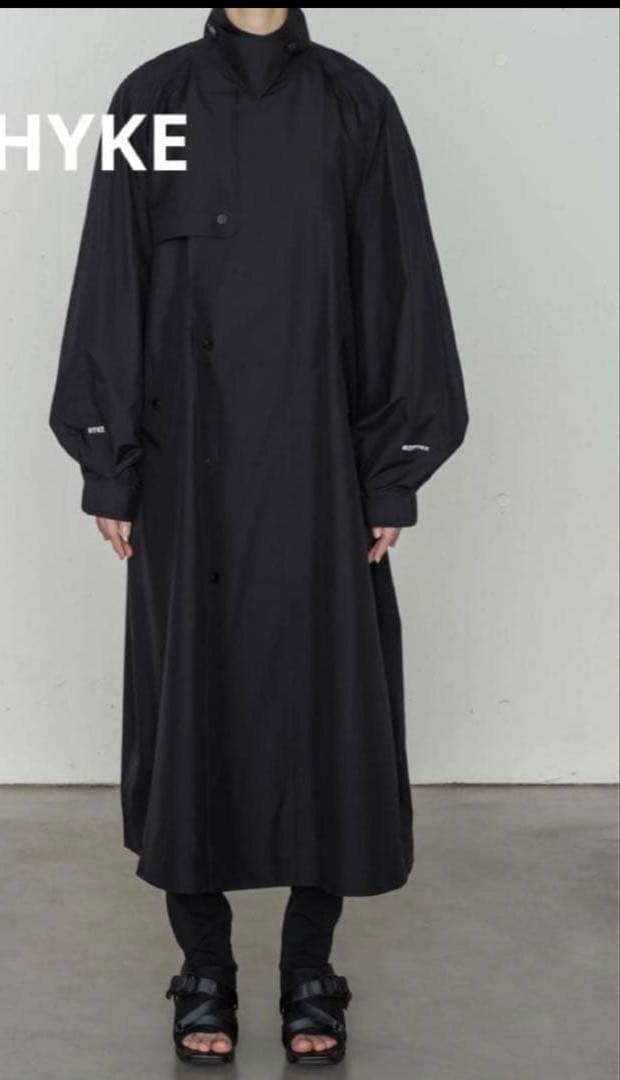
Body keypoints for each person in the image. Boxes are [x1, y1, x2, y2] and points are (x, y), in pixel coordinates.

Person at [48, 5, 468, 1067]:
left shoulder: (355, 105)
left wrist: (392, 471)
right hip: (185, 469)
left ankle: (309, 968)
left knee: (327, 710)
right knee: (190, 711)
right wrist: (108, 462)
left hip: (320, 469)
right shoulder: (152, 101)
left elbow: (399, 285)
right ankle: (204, 967)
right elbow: (111, 277)